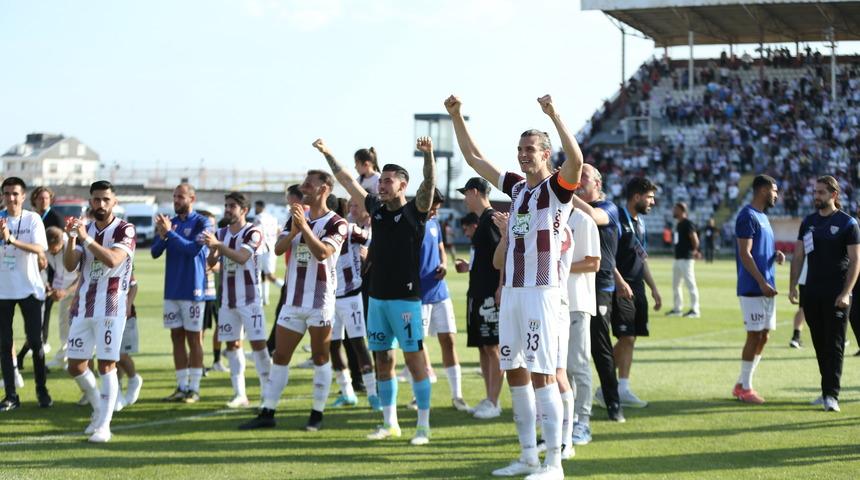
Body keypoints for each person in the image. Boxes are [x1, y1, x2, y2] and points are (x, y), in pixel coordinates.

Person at [446, 93, 582, 480]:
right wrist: (457, 117)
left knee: (542, 375)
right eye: (519, 149)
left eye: (530, 149)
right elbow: (475, 160)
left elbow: (577, 161)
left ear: (545, 153)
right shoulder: (518, 190)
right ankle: (526, 456)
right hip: (513, 292)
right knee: (516, 371)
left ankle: (553, 463)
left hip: (543, 291)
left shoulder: (557, 188)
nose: (523, 155)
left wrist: (555, 114)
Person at [314, 135, 437, 446]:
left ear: (402, 186)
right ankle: (390, 423)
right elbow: (345, 179)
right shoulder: (375, 208)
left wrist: (428, 156)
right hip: (377, 297)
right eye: (380, 180)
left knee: (414, 361)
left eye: (388, 181)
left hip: (405, 299)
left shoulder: (415, 211)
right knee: (383, 359)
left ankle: (422, 427)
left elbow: (429, 185)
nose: (381, 185)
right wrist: (329, 152)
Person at [239, 171, 346, 432]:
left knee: (321, 357)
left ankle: (316, 413)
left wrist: (305, 227)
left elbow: (322, 253)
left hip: (320, 302)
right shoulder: (296, 217)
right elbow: (278, 249)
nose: (303, 188)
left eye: (309, 185)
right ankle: (268, 411)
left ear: (324, 189)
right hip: (293, 300)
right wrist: (294, 229)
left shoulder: (337, 223)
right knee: (281, 356)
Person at [63, 180, 136, 442]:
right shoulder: (87, 228)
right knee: (75, 365)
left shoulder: (125, 229)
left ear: (114, 201)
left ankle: (104, 425)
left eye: (106, 199)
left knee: (107, 365)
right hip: (84, 305)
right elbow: (71, 265)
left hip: (111, 307)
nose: (101, 204)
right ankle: (97, 408)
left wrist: (85, 238)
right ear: (90, 201)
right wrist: (71, 238)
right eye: (96, 199)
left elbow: (113, 259)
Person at [789, 176, 860, 412]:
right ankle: (825, 390)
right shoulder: (808, 222)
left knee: (835, 343)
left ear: (834, 195)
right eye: (815, 192)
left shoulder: (848, 223)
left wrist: (847, 292)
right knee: (819, 343)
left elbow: (855, 262)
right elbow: (798, 256)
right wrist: (792, 287)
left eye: (820, 192)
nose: (816, 196)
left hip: (837, 293)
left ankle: (832, 395)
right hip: (811, 291)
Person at [202, 192, 271, 409]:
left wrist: (218, 246)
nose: (228, 209)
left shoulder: (254, 231)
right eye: (226, 206)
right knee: (232, 345)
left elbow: (242, 257)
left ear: (244, 210)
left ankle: (267, 392)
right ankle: (240, 394)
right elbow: (212, 264)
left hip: (250, 300)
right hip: (227, 301)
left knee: (259, 346)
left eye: (232, 206)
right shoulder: (221, 232)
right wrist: (212, 252)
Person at [570, 164, 625, 423]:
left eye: (584, 176)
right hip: (574, 286)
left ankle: (612, 401)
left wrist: (565, 189)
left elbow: (594, 216)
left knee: (599, 347)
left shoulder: (609, 208)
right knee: (572, 351)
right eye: (577, 175)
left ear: (598, 184)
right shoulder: (572, 211)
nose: (579, 180)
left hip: (598, 287)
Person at [151, 183, 213, 403]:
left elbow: (192, 249)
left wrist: (169, 233)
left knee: (194, 339)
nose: (176, 200)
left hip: (193, 289)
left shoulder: (202, 222)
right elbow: (155, 252)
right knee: (176, 337)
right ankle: (181, 386)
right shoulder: (171, 222)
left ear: (192, 198)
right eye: (174, 196)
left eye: (180, 197)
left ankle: (194, 388)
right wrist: (163, 235)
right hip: (172, 289)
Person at [607, 177, 662, 410]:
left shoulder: (640, 223)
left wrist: (654, 288)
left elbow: (642, 258)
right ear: (637, 196)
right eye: (649, 197)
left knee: (631, 338)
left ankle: (621, 387)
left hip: (637, 286)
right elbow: (607, 255)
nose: (653, 202)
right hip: (621, 287)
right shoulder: (617, 218)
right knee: (626, 337)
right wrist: (619, 282)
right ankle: (608, 383)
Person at [0, 177, 52, 411]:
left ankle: (42, 391)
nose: (11, 198)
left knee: (35, 343)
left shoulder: (33, 219)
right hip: (3, 290)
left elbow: (40, 248)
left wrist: (11, 239)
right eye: (7, 193)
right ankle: (11, 395)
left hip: (30, 288)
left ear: (23, 196)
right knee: (4, 344)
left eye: (15, 193)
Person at [415, 189, 469, 412]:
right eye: (433, 207)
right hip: (417, 295)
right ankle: (421, 395)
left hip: (439, 293)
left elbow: (440, 249)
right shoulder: (410, 223)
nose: (435, 211)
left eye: (437, 207)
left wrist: (444, 264)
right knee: (417, 346)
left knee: (449, 341)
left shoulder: (435, 222)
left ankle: (457, 396)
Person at [732, 175, 783, 404]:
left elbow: (760, 252)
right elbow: (745, 253)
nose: (776, 195)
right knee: (754, 335)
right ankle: (745, 388)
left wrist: (774, 256)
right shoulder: (747, 216)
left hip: (767, 286)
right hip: (754, 287)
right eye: (774, 190)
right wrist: (762, 282)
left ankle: (742, 383)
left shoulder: (762, 216)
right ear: (762, 190)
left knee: (764, 335)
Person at [455, 177, 503, 420]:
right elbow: (486, 259)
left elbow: (503, 256)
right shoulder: (483, 220)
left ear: (474, 192)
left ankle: (494, 401)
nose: (464, 199)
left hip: (489, 294)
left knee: (493, 347)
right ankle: (488, 397)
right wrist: (470, 267)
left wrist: (501, 286)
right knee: (484, 347)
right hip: (477, 291)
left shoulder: (492, 219)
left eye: (466, 194)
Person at [327, 198, 378, 409]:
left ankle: (374, 394)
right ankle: (347, 392)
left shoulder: (350, 229)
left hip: (350, 295)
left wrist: (366, 260)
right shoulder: (318, 230)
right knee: (332, 345)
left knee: (358, 344)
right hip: (328, 298)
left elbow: (375, 242)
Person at [565, 207, 601, 446]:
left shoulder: (584, 221)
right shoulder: (549, 216)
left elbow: (593, 263)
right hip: (552, 303)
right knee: (560, 368)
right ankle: (567, 421)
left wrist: (560, 266)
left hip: (577, 303)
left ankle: (583, 422)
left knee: (578, 366)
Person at [44, 227, 80, 370]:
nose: (52, 251)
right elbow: (47, 270)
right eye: (50, 249)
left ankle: (70, 358)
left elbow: (81, 276)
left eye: (55, 249)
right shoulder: (46, 248)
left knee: (75, 324)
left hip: (78, 289)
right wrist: (50, 288)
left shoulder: (72, 248)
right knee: (63, 323)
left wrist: (65, 291)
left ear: (61, 243)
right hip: (62, 287)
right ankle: (65, 357)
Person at [665, 202, 701, 318]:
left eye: (675, 209)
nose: (673, 211)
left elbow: (695, 239)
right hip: (678, 258)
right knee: (676, 285)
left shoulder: (688, 223)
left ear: (681, 210)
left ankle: (695, 310)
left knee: (691, 284)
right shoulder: (678, 224)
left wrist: (695, 250)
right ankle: (677, 309)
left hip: (686, 258)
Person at [115, 272, 143, 411]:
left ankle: (133, 379)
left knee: (120, 355)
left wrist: (128, 304)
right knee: (110, 356)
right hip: (104, 313)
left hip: (124, 314)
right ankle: (116, 392)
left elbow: (134, 285)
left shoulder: (121, 256)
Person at [253, 200, 284, 306]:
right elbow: (279, 231)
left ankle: (285, 289)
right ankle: (264, 299)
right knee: (263, 275)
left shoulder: (259, 218)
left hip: (264, 249)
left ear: (259, 207)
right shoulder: (273, 218)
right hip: (272, 248)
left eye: (256, 207)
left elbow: (256, 234)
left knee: (268, 275)